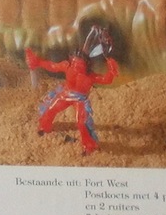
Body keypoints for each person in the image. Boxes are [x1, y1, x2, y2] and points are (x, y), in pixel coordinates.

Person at [27, 24, 119, 154]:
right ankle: (44, 127)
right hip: (65, 93)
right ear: (71, 59)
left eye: (79, 63)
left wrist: (111, 65)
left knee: (82, 123)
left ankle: (89, 145)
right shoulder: (67, 66)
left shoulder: (90, 76)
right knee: (50, 109)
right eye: (74, 61)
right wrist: (38, 62)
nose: (76, 65)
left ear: (86, 64)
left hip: (80, 99)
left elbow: (106, 79)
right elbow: (52, 66)